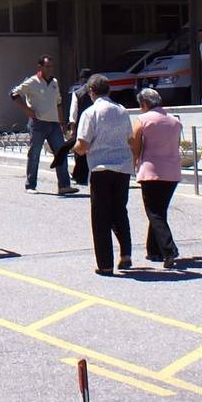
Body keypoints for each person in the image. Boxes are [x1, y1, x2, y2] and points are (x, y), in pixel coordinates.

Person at [72, 74, 134, 275]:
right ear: (109, 90)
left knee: (100, 218)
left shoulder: (90, 113)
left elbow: (83, 145)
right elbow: (129, 138)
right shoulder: (122, 111)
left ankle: (105, 263)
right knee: (120, 211)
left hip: (100, 169)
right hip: (123, 168)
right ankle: (126, 254)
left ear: (91, 91)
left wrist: (73, 149)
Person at [128, 87, 184, 269]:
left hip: (151, 171)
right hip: (172, 172)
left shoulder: (142, 120)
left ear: (144, 104)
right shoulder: (175, 121)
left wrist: (134, 163)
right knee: (160, 210)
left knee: (154, 212)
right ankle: (153, 249)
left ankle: (169, 249)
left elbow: (135, 146)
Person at [10, 56, 74, 195]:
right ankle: (30, 185)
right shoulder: (32, 81)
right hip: (38, 124)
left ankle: (64, 186)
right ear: (40, 67)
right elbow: (14, 94)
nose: (50, 69)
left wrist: (62, 123)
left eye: (51, 66)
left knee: (61, 153)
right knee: (34, 154)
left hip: (54, 123)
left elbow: (58, 103)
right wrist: (26, 110)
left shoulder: (54, 82)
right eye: (47, 66)